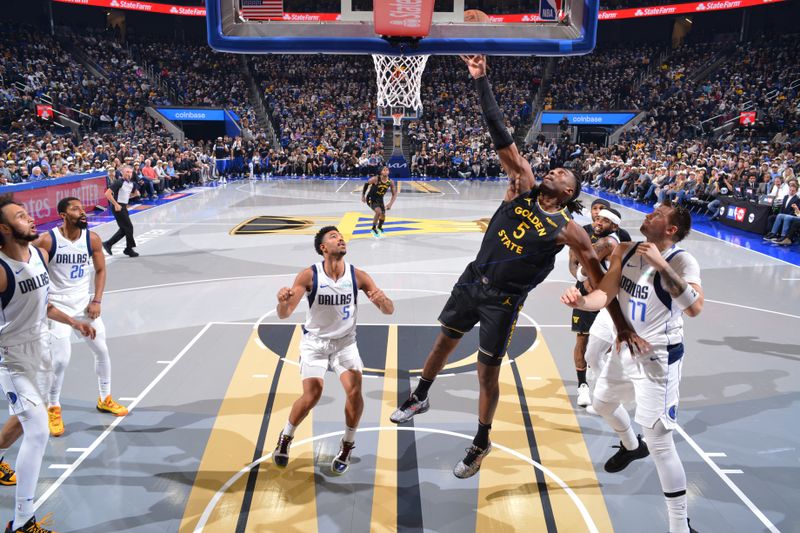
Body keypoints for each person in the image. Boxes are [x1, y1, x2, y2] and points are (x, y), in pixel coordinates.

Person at [389, 55, 642, 479]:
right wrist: (481, 79)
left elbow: (601, 282)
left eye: (563, 174)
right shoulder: (523, 185)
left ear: (568, 193)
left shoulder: (570, 230)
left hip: (502, 302)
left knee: (485, 375)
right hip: (472, 281)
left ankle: (481, 441)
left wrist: (621, 326)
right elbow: (500, 135)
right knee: (441, 344)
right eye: (555, 169)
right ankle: (421, 395)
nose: (555, 170)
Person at [561, 200, 703, 533]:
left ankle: (679, 525)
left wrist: (662, 267)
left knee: (661, 442)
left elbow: (695, 307)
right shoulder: (625, 249)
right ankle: (630, 445)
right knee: (602, 403)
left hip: (658, 359)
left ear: (670, 230)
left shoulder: (681, 260)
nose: (649, 215)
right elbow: (606, 293)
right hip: (625, 347)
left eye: (658, 215)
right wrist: (581, 301)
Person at [0, 195, 95, 533]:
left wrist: (74, 322)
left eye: (27, 213)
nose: (30, 219)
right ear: (5, 229)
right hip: (11, 359)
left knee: (22, 421)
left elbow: (45, 305)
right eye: (21, 216)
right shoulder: (0, 270)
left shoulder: (39, 255)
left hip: (39, 351)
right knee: (38, 430)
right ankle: (23, 523)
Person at [272, 226, 394, 474]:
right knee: (312, 395)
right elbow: (284, 314)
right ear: (323, 248)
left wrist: (383, 301)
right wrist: (282, 302)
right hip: (315, 344)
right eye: (333, 236)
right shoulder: (309, 276)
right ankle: (286, 436)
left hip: (345, 344)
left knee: (354, 391)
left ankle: (348, 444)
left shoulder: (358, 276)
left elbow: (389, 310)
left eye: (341, 235)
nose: (340, 238)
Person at [34, 197, 128, 437]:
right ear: (63, 215)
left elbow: (100, 269)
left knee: (102, 351)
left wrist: (96, 300)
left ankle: (105, 398)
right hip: (58, 309)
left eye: (82, 208)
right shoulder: (47, 240)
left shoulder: (92, 238)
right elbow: (33, 271)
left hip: (84, 307)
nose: (82, 212)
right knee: (60, 360)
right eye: (75, 209)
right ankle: (53, 407)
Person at [568, 203, 623, 407]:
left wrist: (589, 277)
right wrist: (583, 280)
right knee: (582, 339)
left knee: (606, 344)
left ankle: (603, 385)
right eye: (598, 217)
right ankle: (583, 386)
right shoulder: (582, 233)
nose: (599, 221)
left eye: (605, 219)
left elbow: (586, 267)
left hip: (606, 298)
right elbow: (573, 265)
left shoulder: (611, 240)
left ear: (615, 225)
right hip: (585, 292)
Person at [102, 164, 139, 258]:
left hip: (123, 206)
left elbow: (127, 195)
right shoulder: (119, 182)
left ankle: (108, 244)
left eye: (130, 172)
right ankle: (128, 249)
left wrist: (134, 195)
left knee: (124, 229)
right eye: (127, 172)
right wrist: (116, 204)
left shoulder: (131, 184)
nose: (129, 174)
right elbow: (107, 194)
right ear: (122, 173)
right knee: (129, 227)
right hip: (117, 207)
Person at [361, 166, 397, 238]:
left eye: (387, 170)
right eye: (384, 170)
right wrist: (363, 195)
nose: (386, 171)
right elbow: (366, 184)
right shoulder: (376, 179)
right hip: (371, 198)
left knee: (383, 214)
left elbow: (394, 194)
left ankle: (380, 227)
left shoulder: (391, 182)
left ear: (389, 172)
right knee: (378, 212)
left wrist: (390, 204)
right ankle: (373, 228)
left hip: (380, 199)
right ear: (381, 172)